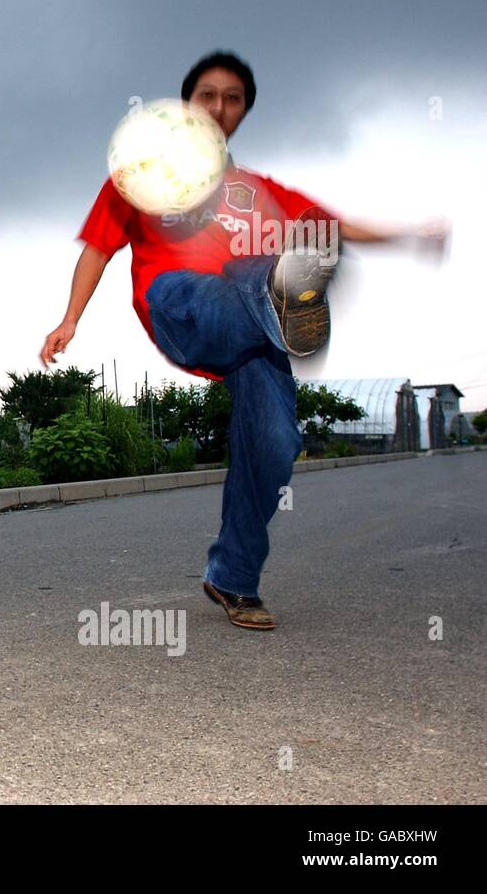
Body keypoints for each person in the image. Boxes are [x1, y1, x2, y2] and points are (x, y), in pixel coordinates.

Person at [39, 51, 448, 630]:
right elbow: (99, 247)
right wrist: (70, 318)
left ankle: (231, 578)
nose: (220, 107)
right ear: (187, 106)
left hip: (256, 339)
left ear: (243, 113)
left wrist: (408, 235)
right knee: (239, 277)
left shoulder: (260, 191)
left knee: (276, 445)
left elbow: (336, 225)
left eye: (233, 99)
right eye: (208, 95)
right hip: (180, 307)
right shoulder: (144, 172)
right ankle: (278, 293)